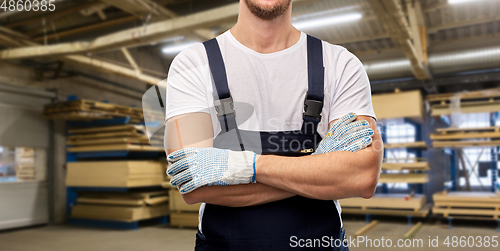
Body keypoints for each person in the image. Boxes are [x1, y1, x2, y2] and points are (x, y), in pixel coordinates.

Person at [164, 0, 383, 250]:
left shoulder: (340, 64)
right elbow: (193, 184)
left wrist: (245, 167)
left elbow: (363, 177)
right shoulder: (192, 64)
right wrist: (318, 165)